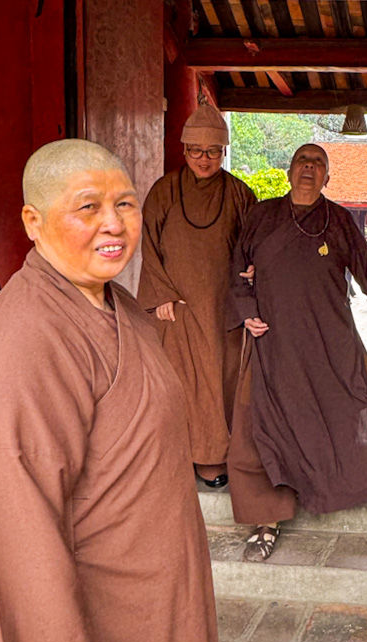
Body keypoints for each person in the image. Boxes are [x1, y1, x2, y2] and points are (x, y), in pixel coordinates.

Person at [0, 139, 223, 642]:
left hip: (148, 619)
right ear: (33, 223)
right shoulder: (27, 337)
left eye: (124, 204)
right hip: (89, 636)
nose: (114, 223)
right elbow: (18, 529)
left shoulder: (119, 308)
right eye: (88, 207)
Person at [228, 144, 367, 561]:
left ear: (328, 178)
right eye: (302, 161)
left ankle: (354, 485)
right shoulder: (261, 216)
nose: (309, 169)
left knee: (348, 406)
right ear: (289, 170)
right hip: (273, 341)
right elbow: (237, 270)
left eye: (318, 164)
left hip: (328, 340)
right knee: (262, 427)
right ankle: (267, 520)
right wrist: (246, 312)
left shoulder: (340, 220)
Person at [138, 105, 256, 488]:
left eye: (212, 151)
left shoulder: (239, 193)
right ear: (184, 150)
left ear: (223, 152)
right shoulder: (164, 191)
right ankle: (173, 460)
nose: (203, 159)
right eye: (195, 151)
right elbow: (149, 247)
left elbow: (254, 247)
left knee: (220, 382)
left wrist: (253, 278)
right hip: (176, 309)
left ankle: (212, 458)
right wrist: (161, 296)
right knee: (175, 384)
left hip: (222, 309)